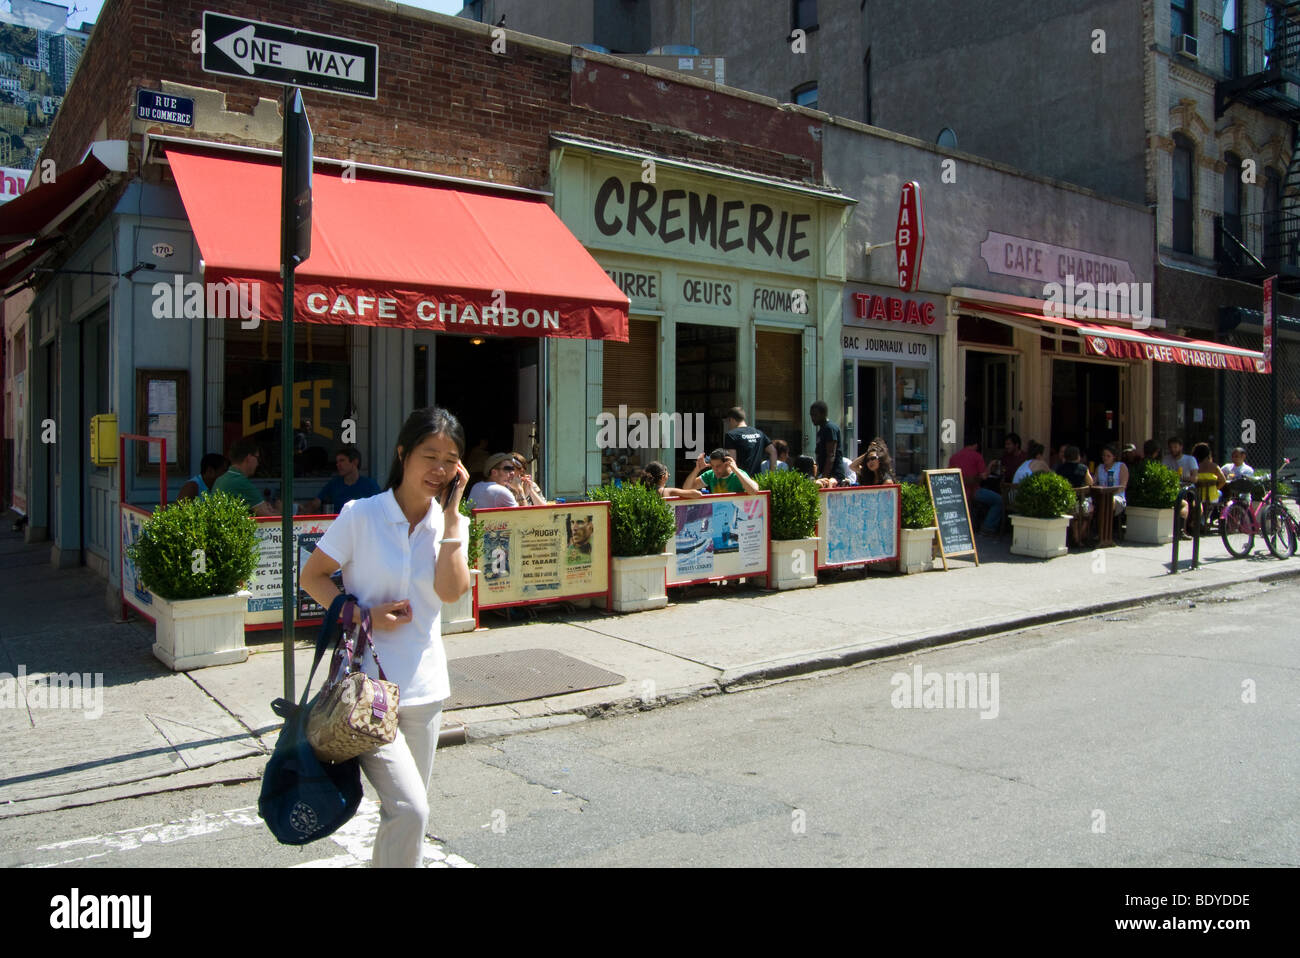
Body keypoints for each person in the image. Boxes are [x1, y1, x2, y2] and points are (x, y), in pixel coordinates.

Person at [300, 406, 471, 869]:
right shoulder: (362, 514)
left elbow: (452, 592)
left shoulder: (450, 525)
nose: (438, 469)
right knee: (411, 809)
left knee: (404, 813)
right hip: (366, 693)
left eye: (450, 459)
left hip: (425, 690)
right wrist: (361, 613)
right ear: (403, 454)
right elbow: (312, 576)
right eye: (429, 455)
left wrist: (453, 518)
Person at [950, 437, 1002, 536]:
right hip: (974, 491)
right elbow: (984, 476)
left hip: (957, 492)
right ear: (976, 445)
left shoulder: (954, 457)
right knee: (999, 500)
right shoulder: (977, 456)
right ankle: (988, 527)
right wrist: (990, 465)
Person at [212, 439, 278, 516]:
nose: (257, 463)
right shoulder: (240, 482)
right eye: (257, 458)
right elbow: (269, 516)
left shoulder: (220, 479)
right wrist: (281, 508)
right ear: (249, 458)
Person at [306, 446, 381, 514]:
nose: (338, 464)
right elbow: (316, 502)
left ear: (355, 462)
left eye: (342, 461)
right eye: (337, 462)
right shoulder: (334, 484)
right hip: (339, 524)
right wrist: (303, 510)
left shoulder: (370, 485)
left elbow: (379, 509)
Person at [468, 453, 535, 508]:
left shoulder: (477, 486)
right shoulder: (501, 491)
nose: (512, 472)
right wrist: (520, 490)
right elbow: (524, 516)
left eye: (512, 469)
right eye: (507, 469)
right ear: (494, 472)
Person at [723, 407, 776, 475]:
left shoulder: (731, 435)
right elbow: (773, 451)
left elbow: (732, 460)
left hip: (740, 479)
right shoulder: (759, 433)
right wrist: (772, 474)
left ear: (731, 419)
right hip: (756, 479)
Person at [685, 449, 759, 494]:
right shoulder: (710, 474)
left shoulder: (738, 474)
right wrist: (696, 470)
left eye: (718, 466)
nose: (715, 469)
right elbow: (686, 489)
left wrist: (735, 469)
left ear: (727, 463)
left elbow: (754, 491)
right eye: (712, 466)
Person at [809, 400, 846, 484]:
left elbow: (831, 455)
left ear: (823, 414)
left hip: (834, 475)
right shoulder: (821, 431)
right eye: (811, 415)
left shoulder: (830, 428)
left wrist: (824, 477)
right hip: (824, 473)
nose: (812, 418)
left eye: (815, 415)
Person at [1094, 443, 1129, 517]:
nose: (1105, 458)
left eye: (1108, 456)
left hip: (1117, 497)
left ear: (1114, 457)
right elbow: (1093, 483)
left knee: (1109, 501)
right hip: (1102, 496)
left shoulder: (1121, 466)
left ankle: (1106, 526)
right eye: (1103, 455)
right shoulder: (1099, 467)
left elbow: (1123, 486)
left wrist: (1110, 494)